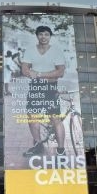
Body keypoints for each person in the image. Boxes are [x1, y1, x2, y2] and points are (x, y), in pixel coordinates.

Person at [21, 25, 67, 158]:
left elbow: (60, 72)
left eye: (46, 34)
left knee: (55, 118)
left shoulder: (56, 51)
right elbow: (24, 70)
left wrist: (39, 74)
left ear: (50, 36)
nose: (43, 37)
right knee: (32, 117)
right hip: (35, 87)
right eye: (41, 34)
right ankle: (38, 145)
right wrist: (44, 74)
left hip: (50, 88)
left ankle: (61, 149)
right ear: (37, 36)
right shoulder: (30, 50)